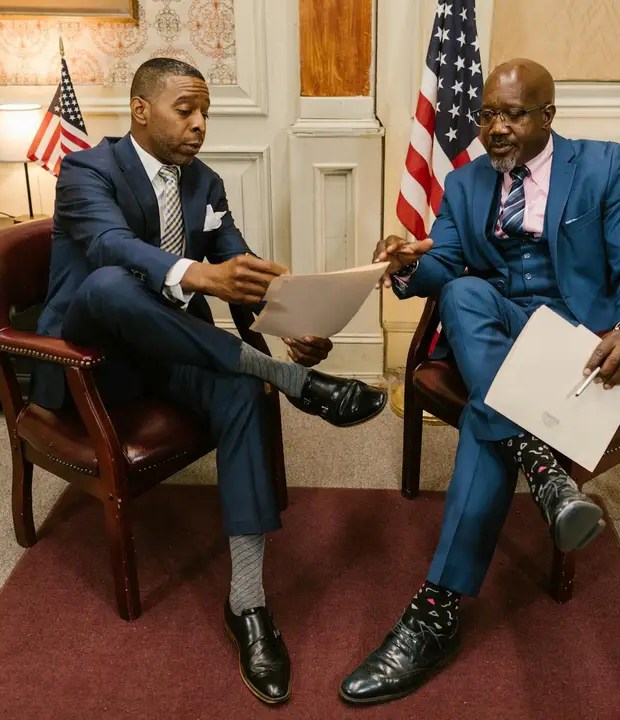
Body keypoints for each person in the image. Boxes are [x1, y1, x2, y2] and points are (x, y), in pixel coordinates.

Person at [31, 57, 387, 706]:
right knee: (111, 283)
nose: (199, 125)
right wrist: (196, 279)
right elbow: (111, 248)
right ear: (141, 109)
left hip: (171, 350)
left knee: (240, 392)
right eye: (185, 110)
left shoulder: (205, 184)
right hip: (90, 362)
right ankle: (287, 381)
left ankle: (247, 604)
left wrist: (290, 325)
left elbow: (239, 270)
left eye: (205, 114)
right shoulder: (88, 170)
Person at [339, 58, 620, 705]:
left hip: (578, 354)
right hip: (499, 338)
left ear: (548, 115)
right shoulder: (464, 184)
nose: (494, 127)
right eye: (488, 113)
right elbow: (446, 264)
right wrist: (412, 262)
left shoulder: (603, 166)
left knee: (483, 422)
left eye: (513, 113)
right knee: (462, 291)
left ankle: (436, 610)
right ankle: (541, 467)